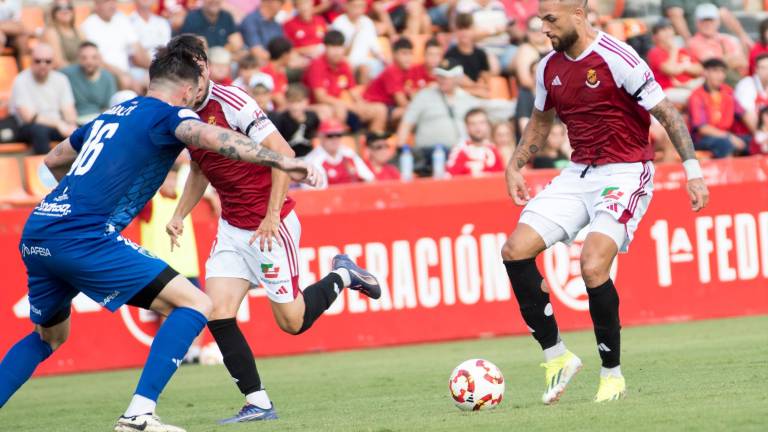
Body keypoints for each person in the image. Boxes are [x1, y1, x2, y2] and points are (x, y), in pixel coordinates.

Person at [0, 36, 320, 432]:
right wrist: (281, 160)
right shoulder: (170, 116)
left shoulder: (114, 113)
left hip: (40, 228)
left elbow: (54, 159)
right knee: (196, 304)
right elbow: (214, 140)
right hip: (82, 237)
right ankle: (139, 414)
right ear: (186, 90)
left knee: (48, 337)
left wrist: (83, 204)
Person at [163, 35, 380, 424]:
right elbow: (198, 168)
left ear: (204, 70)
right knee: (217, 311)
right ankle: (257, 401)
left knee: (292, 322)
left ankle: (344, 274)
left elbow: (284, 155)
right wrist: (180, 213)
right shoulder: (183, 112)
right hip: (232, 227)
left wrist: (271, 215)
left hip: (270, 225)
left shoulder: (235, 102)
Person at [502, 0, 709, 405]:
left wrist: (693, 171)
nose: (543, 28)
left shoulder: (619, 58)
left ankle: (612, 375)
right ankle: (557, 357)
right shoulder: (548, 68)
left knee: (592, 264)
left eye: (551, 19)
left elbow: (667, 113)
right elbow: (542, 120)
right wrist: (514, 166)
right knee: (514, 251)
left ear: (578, 15)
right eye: (541, 19)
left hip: (627, 171)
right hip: (579, 172)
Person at [303, 30, 387, 133]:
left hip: (340, 105)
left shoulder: (344, 64)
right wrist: (346, 105)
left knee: (380, 109)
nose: (337, 51)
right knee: (338, 109)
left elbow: (353, 91)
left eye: (339, 47)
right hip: (316, 107)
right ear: (326, 48)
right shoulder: (317, 65)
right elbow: (320, 97)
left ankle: (374, 142)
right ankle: (336, 143)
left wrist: (361, 104)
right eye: (333, 47)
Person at [10, 43, 78, 155]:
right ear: (31, 62)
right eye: (38, 61)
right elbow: (29, 117)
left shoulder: (61, 79)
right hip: (29, 126)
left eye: (47, 61)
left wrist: (71, 125)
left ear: (53, 63)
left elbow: (68, 109)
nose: (43, 65)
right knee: (39, 131)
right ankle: (45, 171)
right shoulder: (20, 80)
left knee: (82, 130)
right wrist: (58, 124)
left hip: (57, 125)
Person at [81, 0, 150, 92]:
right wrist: (122, 74)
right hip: (105, 73)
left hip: (128, 72)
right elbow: (96, 60)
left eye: (114, 1)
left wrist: (154, 69)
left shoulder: (122, 20)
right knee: (126, 81)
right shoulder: (88, 25)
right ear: (97, 5)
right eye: (107, 2)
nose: (112, 5)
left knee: (155, 80)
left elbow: (137, 49)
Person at [688, 58, 746, 158]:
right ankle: (729, 173)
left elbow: (743, 113)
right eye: (716, 71)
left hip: (726, 135)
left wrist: (759, 133)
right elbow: (702, 128)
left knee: (754, 141)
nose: (720, 75)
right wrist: (729, 136)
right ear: (705, 72)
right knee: (725, 143)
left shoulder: (728, 92)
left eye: (722, 72)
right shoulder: (696, 96)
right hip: (703, 139)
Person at [647, 18, 702, 106]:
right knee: (694, 97)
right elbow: (670, 70)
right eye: (663, 30)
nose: (667, 32)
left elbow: (700, 69)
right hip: (667, 90)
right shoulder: (655, 52)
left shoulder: (682, 50)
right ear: (655, 37)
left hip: (688, 85)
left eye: (669, 28)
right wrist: (673, 50)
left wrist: (683, 67)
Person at [61, 41, 118, 125]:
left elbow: (111, 106)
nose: (89, 61)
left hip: (99, 120)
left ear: (99, 58)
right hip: (75, 122)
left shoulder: (108, 77)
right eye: (84, 58)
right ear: (78, 59)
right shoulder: (67, 74)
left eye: (94, 57)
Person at [305, 118, 375, 186]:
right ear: (321, 137)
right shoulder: (313, 160)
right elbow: (319, 192)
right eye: (330, 136)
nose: (335, 139)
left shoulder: (349, 153)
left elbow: (370, 179)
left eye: (338, 135)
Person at [330, 0, 385, 82]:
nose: (358, 10)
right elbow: (341, 53)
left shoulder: (367, 22)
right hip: (346, 63)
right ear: (347, 6)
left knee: (384, 68)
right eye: (355, 6)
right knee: (364, 69)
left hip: (365, 61)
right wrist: (354, 35)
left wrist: (385, 60)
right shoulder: (339, 23)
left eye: (361, 7)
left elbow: (375, 48)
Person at [685, 3, 747, 76]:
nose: (707, 24)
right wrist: (730, 60)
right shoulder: (693, 42)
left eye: (711, 20)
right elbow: (712, 65)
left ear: (718, 22)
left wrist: (725, 60)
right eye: (703, 21)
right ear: (697, 23)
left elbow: (742, 62)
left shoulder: (726, 39)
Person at [661, 0, 752, 49]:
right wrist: (689, 40)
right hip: (687, 37)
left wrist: (743, 36)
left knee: (737, 43)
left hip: (713, 37)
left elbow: (724, 12)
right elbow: (675, 14)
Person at [363, 37, 415, 122]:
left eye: (410, 54)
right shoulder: (392, 71)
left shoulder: (407, 70)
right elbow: (402, 102)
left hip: (388, 106)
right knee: (409, 113)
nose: (408, 58)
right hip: (374, 106)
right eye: (404, 53)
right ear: (394, 54)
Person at [445, 13, 493, 98]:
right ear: (455, 30)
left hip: (479, 96)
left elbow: (485, 81)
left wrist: (478, 85)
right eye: (460, 29)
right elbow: (451, 83)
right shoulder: (450, 55)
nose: (464, 33)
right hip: (458, 97)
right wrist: (473, 87)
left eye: (467, 29)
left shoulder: (481, 54)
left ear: (473, 29)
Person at [446, 108, 504, 176]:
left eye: (481, 123)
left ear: (488, 125)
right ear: (466, 127)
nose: (478, 127)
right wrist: (469, 167)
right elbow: (449, 174)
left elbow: (500, 177)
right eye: (473, 124)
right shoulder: (459, 149)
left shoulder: (494, 150)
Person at [271, 83, 319, 157]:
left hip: (310, 157)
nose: (295, 106)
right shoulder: (280, 120)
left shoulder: (313, 117)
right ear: (286, 102)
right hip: (289, 159)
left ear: (306, 101)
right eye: (291, 102)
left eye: (299, 101)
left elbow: (317, 138)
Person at [179, 0, 243, 55]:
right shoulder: (192, 17)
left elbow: (236, 40)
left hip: (224, 59)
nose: (214, 1)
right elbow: (184, 44)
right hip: (200, 61)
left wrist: (221, 52)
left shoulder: (226, 16)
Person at [41, 0, 83, 69]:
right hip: (65, 73)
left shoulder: (78, 30)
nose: (65, 11)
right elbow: (59, 63)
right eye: (59, 8)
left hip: (83, 71)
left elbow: (89, 52)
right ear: (52, 12)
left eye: (69, 7)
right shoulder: (51, 32)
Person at [734, 53, 768, 133]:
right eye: (764, 68)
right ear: (756, 69)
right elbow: (748, 116)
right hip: (746, 135)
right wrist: (763, 137)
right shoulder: (746, 85)